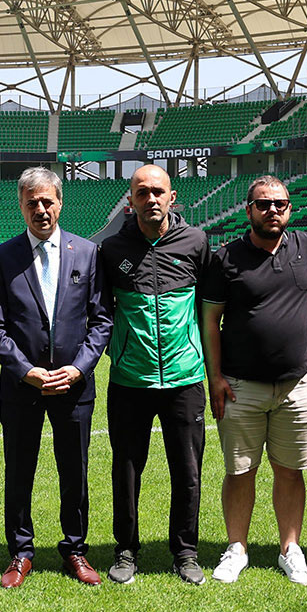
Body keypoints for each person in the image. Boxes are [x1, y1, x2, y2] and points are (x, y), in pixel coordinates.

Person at [0, 167, 112, 588]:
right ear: (21, 205)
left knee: (74, 470)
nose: (41, 209)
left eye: (48, 201)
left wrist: (78, 368)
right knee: (19, 471)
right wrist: (27, 371)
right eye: (32, 202)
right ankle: (20, 553)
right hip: (23, 388)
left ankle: (75, 549)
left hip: (75, 388)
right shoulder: (3, 257)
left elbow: (101, 320)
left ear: (60, 202)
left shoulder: (87, 253)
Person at [200, 176, 307, 586]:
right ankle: (237, 547)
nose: (273, 210)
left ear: (290, 209)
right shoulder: (227, 258)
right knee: (240, 471)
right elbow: (210, 322)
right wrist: (215, 377)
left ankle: (290, 548)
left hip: (297, 385)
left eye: (280, 204)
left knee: (290, 471)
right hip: (240, 385)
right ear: (248, 209)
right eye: (263, 204)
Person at [99, 164, 210, 585]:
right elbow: (100, 311)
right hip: (130, 380)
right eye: (141, 192)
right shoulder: (111, 249)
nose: (150, 199)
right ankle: (126, 550)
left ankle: (185, 552)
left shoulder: (196, 243)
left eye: (157, 191)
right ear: (130, 200)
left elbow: (210, 305)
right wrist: (119, 350)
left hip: (185, 378)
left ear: (172, 196)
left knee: (187, 470)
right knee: (127, 470)